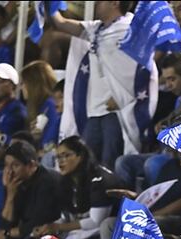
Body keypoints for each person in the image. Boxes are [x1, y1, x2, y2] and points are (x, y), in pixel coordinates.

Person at [49, 2, 158, 164]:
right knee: (89, 166)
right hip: (93, 112)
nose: (96, 3)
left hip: (116, 113)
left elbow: (143, 68)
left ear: (115, 2)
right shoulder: (96, 30)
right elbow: (61, 23)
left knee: (109, 165)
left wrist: (123, 97)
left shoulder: (131, 29)